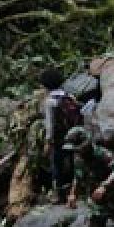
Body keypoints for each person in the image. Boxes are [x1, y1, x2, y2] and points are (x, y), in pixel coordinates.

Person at [40, 67, 81, 204]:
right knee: (73, 163)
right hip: (73, 135)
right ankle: (76, 191)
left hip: (59, 139)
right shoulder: (69, 96)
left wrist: (48, 142)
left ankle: (58, 195)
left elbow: (50, 124)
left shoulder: (50, 101)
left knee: (56, 165)